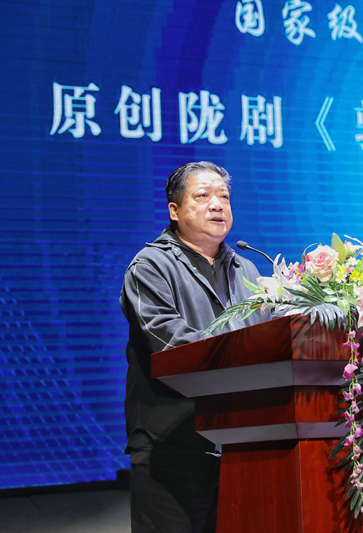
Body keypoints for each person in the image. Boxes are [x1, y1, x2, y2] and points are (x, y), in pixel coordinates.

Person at [120, 161, 268, 533]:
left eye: (224, 196)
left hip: (240, 443)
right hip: (173, 446)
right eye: (203, 196)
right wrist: (247, 351)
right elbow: (170, 343)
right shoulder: (149, 267)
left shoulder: (247, 270)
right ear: (174, 210)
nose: (217, 204)